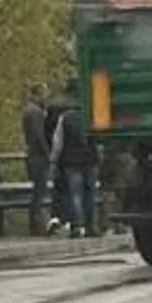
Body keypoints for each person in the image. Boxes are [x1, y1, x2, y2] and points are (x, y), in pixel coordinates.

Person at [47, 101, 95, 237]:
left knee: (76, 194)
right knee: (89, 194)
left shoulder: (65, 118)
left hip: (71, 161)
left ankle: (77, 226)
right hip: (90, 159)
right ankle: (90, 226)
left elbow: (58, 141)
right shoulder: (91, 116)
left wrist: (54, 160)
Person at [22, 84, 50, 236]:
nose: (45, 98)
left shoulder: (28, 110)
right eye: (44, 94)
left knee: (37, 191)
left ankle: (35, 224)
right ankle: (36, 226)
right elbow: (39, 135)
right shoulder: (36, 112)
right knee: (39, 192)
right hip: (38, 156)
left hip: (31, 154)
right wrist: (48, 154)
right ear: (37, 94)